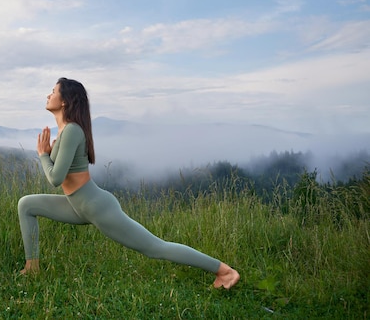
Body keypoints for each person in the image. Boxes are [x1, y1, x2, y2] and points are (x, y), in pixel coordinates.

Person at [17, 77, 240, 289]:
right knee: (26, 204)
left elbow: (55, 179)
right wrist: (51, 152)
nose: (49, 94)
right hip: (77, 204)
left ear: (64, 100)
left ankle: (224, 271)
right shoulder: (65, 130)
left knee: (155, 247)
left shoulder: (73, 130)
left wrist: (43, 155)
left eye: (53, 91)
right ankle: (32, 267)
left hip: (96, 206)